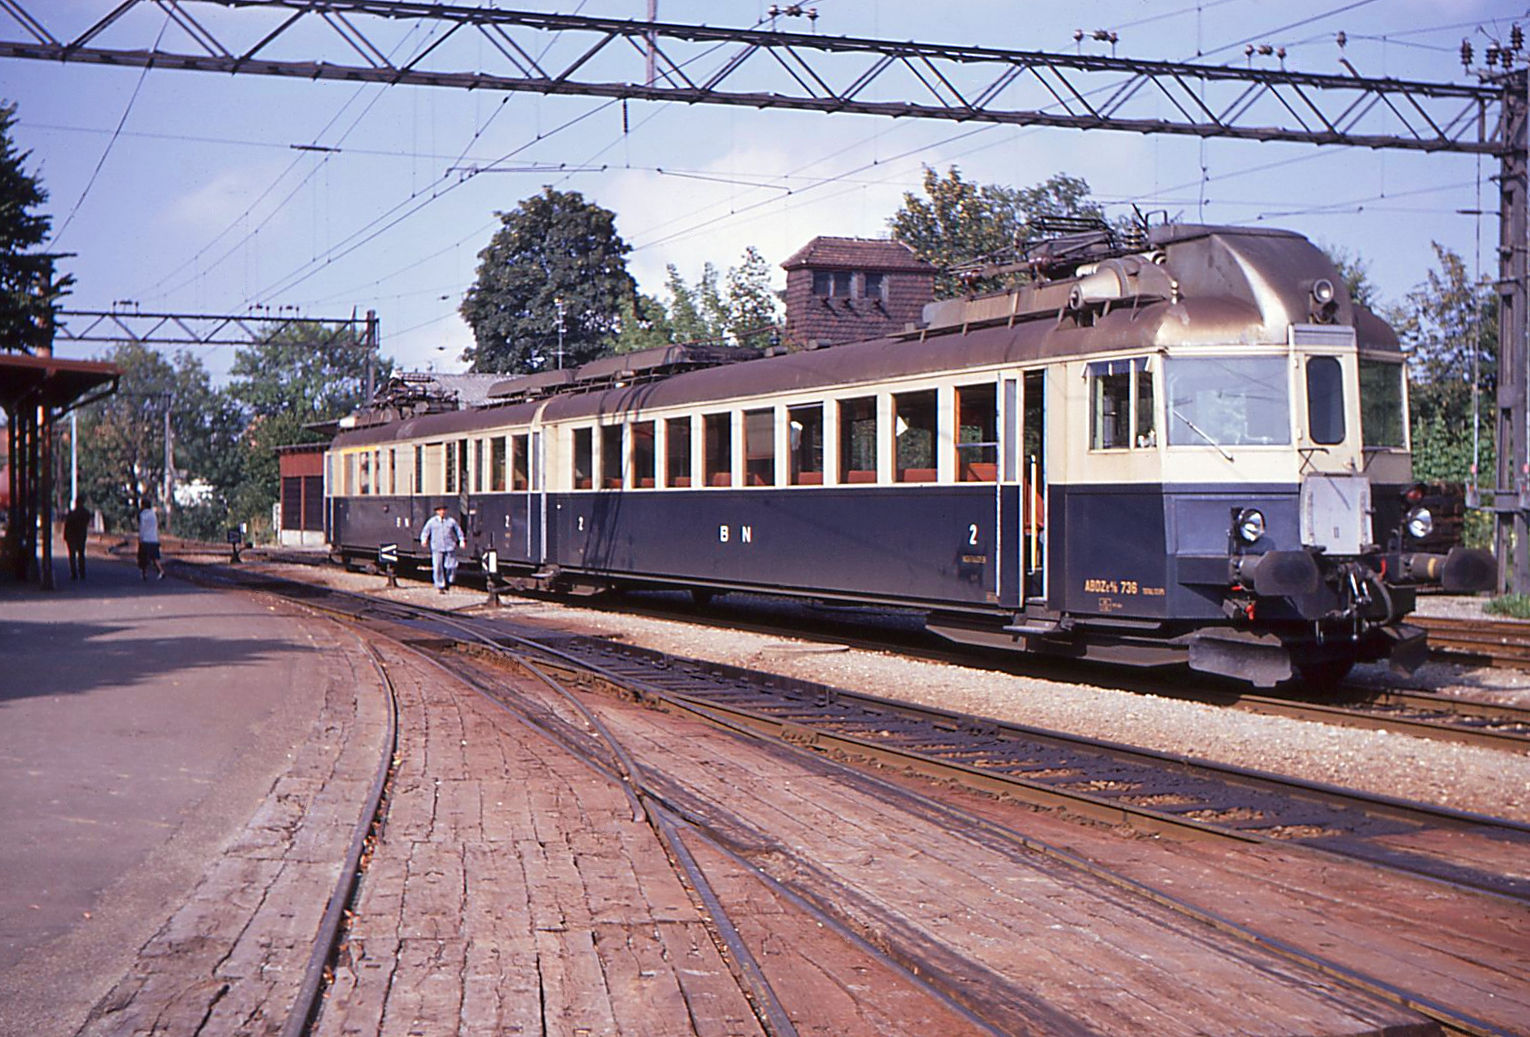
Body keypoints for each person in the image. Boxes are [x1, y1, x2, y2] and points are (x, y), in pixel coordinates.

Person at [420, 503, 465, 594]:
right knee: (437, 567)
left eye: (443, 510)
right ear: (437, 512)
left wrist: (461, 540)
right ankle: (440, 585)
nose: (442, 512)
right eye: (440, 510)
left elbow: (458, 530)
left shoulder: (451, 521)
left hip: (449, 546)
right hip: (437, 547)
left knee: (451, 566)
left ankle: (449, 581)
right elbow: (425, 531)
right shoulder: (432, 522)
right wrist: (424, 540)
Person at [62, 500, 92, 580]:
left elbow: (67, 525)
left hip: (72, 537)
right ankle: (82, 572)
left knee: (72, 556)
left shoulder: (72, 514)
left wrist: (65, 536)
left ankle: (74, 573)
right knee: (81, 555)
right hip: (81, 536)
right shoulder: (86, 513)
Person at [137, 499, 165, 581]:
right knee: (155, 557)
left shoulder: (143, 515)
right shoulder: (153, 514)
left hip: (145, 539)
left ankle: (144, 574)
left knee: (143, 558)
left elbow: (142, 527)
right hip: (154, 538)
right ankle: (161, 571)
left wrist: (140, 537)